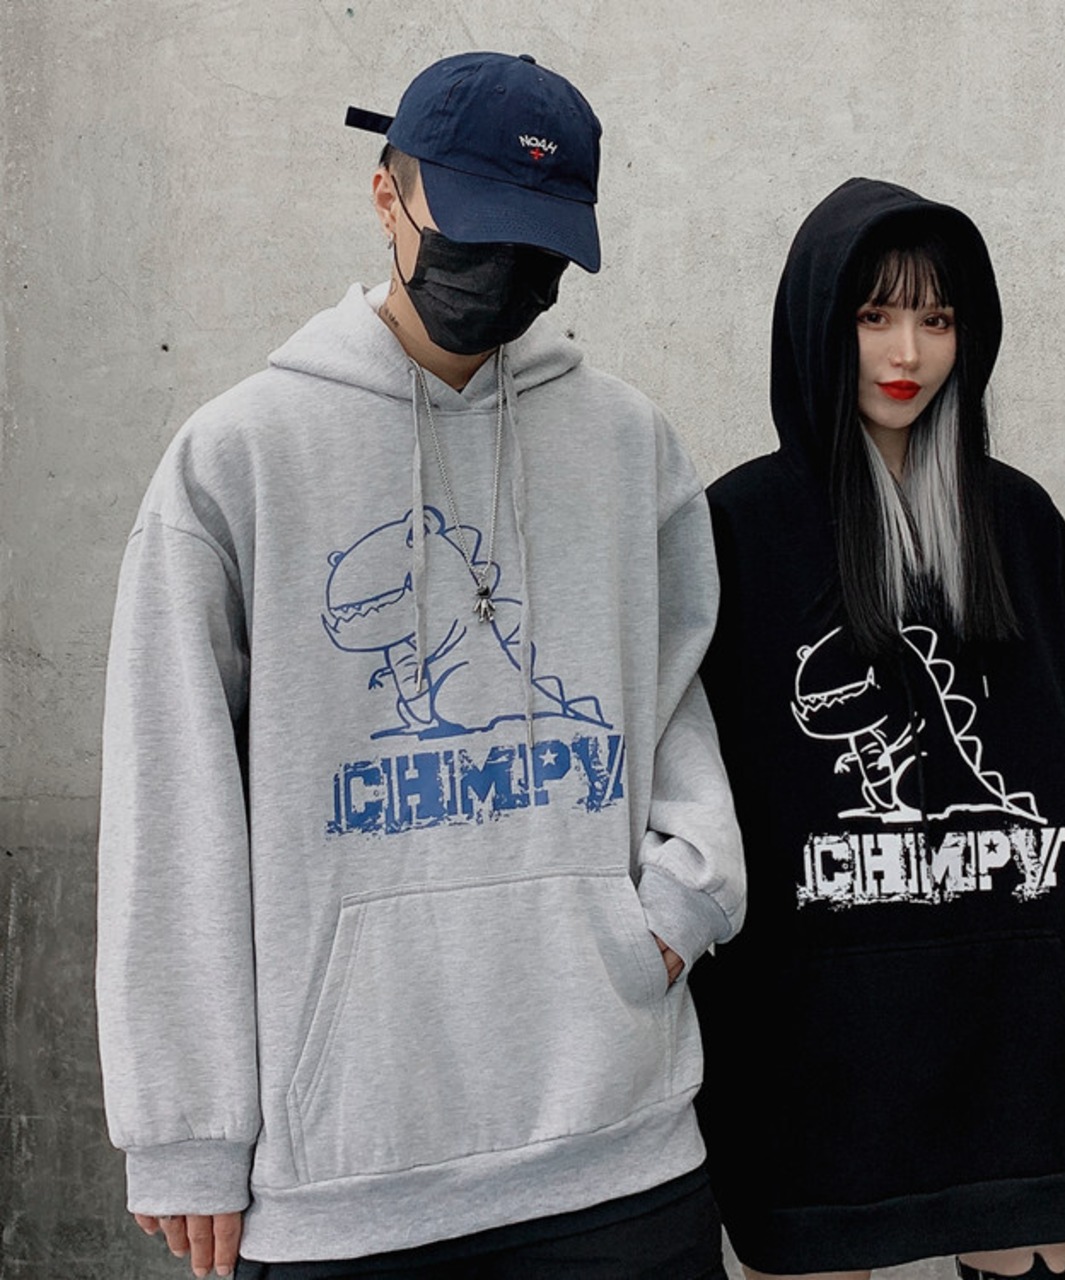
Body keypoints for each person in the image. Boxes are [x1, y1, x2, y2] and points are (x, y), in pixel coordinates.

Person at [96, 51, 745, 1280]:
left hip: (618, 1150)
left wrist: (682, 898)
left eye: (537, 249)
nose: (501, 275)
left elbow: (675, 691)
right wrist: (185, 1127)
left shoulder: (625, 442)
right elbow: (169, 797)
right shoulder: (238, 456)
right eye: (474, 230)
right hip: (349, 1185)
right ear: (386, 197)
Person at [690, 178, 1065, 1280]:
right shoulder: (738, 528)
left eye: (937, 318)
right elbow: (690, 774)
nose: (906, 351)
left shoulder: (1018, 522)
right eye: (873, 315)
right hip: (812, 1061)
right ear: (819, 323)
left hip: (1023, 1051)